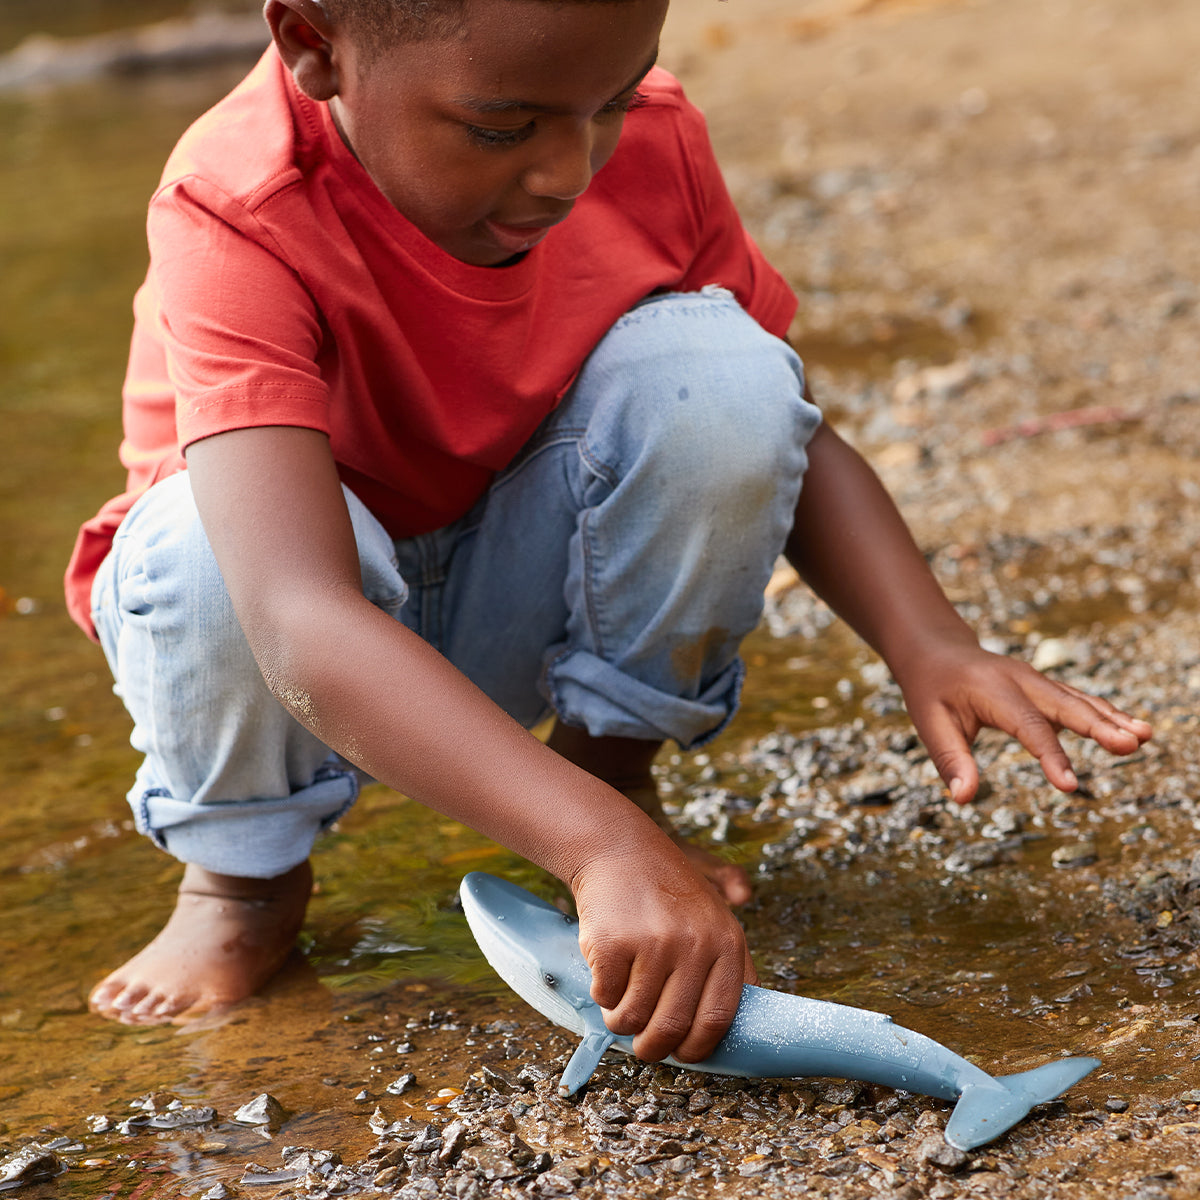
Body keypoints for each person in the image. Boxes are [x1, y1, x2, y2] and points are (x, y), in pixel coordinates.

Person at [66, 0, 1151, 1065]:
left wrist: (929, 640)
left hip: (516, 597)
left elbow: (783, 431)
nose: (566, 171)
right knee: (205, 549)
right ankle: (242, 881)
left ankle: (612, 771)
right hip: (296, 637)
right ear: (314, 46)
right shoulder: (237, 201)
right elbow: (296, 618)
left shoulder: (649, 139)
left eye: (612, 104)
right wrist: (598, 851)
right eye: (504, 127)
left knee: (722, 375)